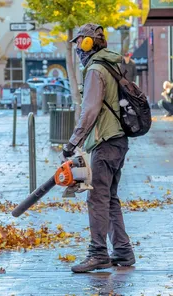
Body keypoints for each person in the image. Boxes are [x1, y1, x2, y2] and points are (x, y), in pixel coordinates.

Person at [63, 23, 135, 273]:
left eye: (79, 44)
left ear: (87, 43)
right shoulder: (111, 63)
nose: (77, 51)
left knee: (97, 198)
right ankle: (123, 251)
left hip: (106, 141)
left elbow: (90, 109)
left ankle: (98, 254)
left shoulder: (95, 69)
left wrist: (73, 141)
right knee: (110, 197)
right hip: (118, 140)